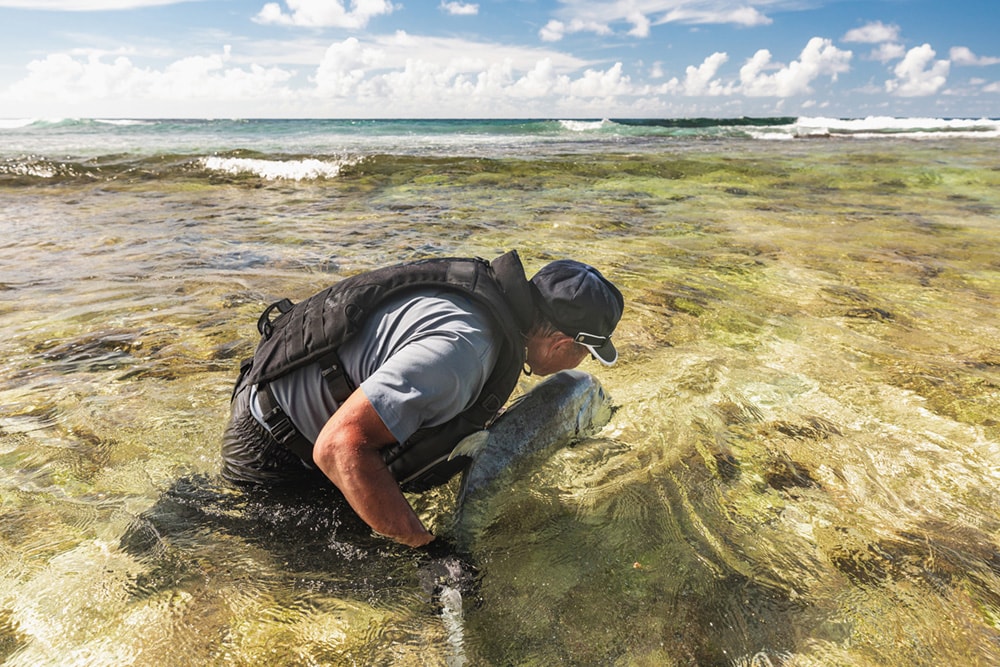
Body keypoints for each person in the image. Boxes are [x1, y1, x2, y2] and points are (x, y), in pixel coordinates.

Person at [221, 250, 624, 548]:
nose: (583, 361)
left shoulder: (485, 305)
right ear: (560, 343)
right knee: (374, 581)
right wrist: (426, 547)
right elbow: (338, 446)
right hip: (274, 451)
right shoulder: (464, 352)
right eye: (586, 353)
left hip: (279, 402)